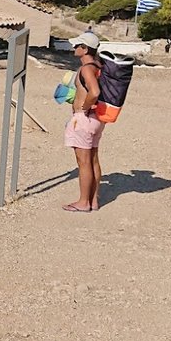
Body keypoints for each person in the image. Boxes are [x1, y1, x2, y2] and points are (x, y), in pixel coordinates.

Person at [63, 31, 104, 212]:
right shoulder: (98, 65)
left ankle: (83, 202)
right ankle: (93, 200)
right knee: (93, 159)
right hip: (97, 119)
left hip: (84, 119)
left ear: (85, 48)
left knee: (84, 162)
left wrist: (84, 107)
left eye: (77, 45)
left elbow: (94, 92)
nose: (74, 47)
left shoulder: (86, 68)